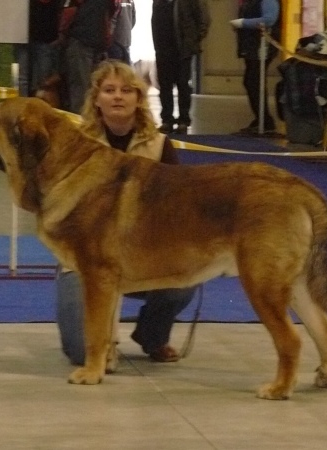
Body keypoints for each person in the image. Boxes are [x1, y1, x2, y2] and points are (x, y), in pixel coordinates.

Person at [56, 60, 197, 366]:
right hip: (85, 260)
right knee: (81, 353)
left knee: (185, 283)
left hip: (143, 257)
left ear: (138, 98)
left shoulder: (161, 146)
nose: (117, 96)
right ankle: (100, 342)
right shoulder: (75, 146)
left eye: (126, 90)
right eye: (109, 90)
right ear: (96, 99)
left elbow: (177, 208)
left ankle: (151, 336)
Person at [151, 0, 210, 135]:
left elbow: (204, 20)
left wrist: (193, 40)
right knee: (165, 86)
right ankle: (167, 120)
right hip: (162, 51)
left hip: (182, 50)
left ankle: (183, 120)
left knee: (183, 85)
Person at [57, 0, 118, 113]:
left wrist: (61, 32)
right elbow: (112, 11)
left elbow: (69, 10)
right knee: (94, 87)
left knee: (81, 88)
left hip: (81, 39)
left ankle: (82, 123)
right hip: (97, 40)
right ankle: (90, 122)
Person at [230, 0, 281, 134]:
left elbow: (269, 20)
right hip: (252, 47)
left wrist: (242, 23)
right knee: (252, 82)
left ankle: (265, 121)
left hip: (262, 47)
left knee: (254, 82)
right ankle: (261, 119)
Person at [13, 0, 61, 98]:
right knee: (22, 78)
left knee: (43, 79)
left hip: (45, 36)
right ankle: (22, 105)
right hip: (21, 34)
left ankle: (39, 106)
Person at [107, 0, 135, 64]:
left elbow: (112, 19)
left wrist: (109, 34)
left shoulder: (116, 1)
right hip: (126, 38)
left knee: (115, 67)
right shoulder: (131, 1)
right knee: (125, 67)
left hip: (115, 40)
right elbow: (133, 19)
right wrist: (127, 29)